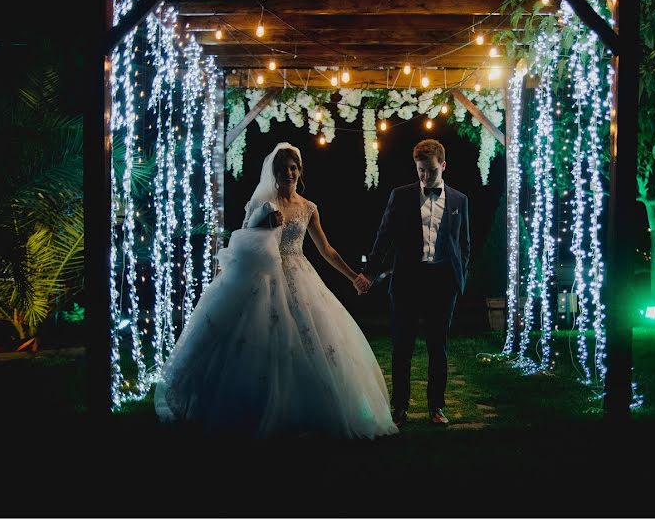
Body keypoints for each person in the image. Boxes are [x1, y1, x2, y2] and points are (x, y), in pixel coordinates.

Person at [155, 142, 397, 439]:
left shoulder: (309, 208)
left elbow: (326, 250)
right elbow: (240, 240)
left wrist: (353, 276)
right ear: (275, 173)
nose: (289, 173)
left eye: (294, 168)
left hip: (300, 275)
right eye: (283, 169)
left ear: (300, 171)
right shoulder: (262, 204)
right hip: (265, 279)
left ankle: (308, 411)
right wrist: (263, 223)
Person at [356, 139, 470, 427]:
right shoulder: (400, 196)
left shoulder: (459, 200)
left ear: (443, 165)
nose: (424, 176)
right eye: (420, 170)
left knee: (437, 347)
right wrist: (369, 272)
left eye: (430, 170)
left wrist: (459, 279)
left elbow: (464, 244)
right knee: (401, 347)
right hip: (407, 282)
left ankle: (436, 408)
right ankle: (399, 407)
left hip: (443, 284)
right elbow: (383, 238)